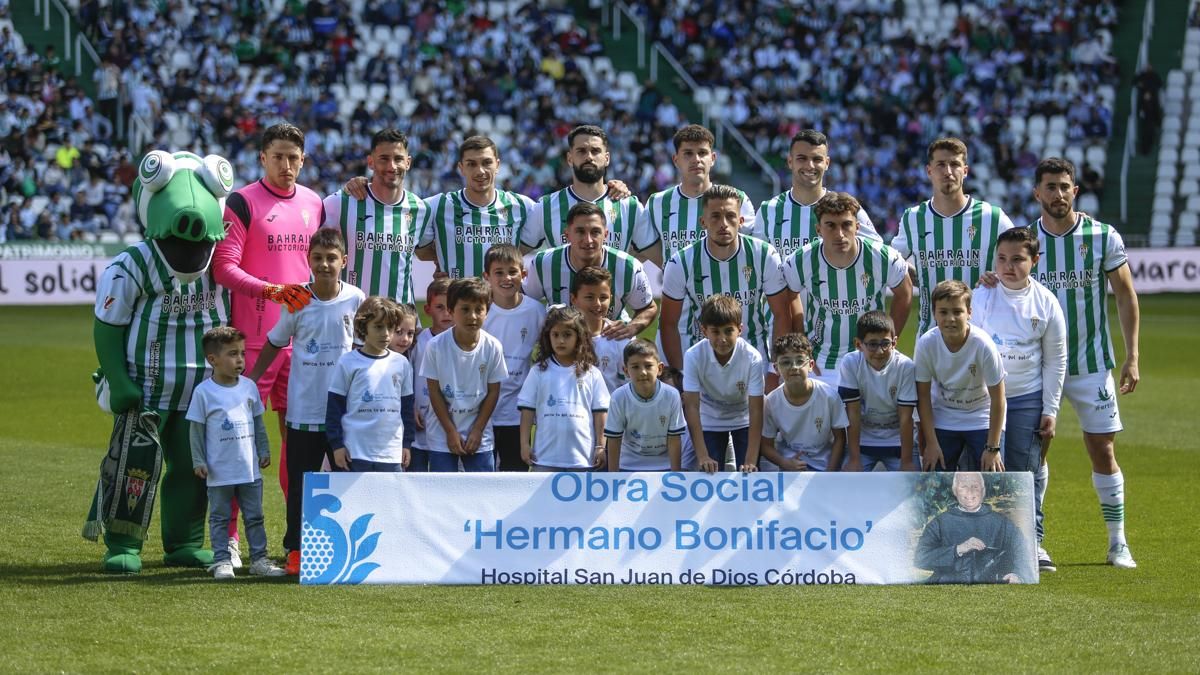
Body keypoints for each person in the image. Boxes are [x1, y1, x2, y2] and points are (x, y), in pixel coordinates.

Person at [214, 122, 322, 557]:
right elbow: (224, 268)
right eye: (277, 156)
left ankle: (298, 539)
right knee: (238, 443)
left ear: (304, 159)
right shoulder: (242, 202)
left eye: (294, 157)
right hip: (254, 344)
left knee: (300, 446)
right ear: (262, 158)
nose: (286, 165)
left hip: (304, 343)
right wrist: (272, 292)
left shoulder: (315, 203)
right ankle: (231, 539)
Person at [1030, 157, 1140, 569]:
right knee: (1034, 452)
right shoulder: (1025, 242)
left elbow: (1126, 296)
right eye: (1050, 187)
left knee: (1102, 449)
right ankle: (1035, 541)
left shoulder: (1101, 235)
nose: (1058, 194)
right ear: (1036, 192)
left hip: (1092, 363)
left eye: (1065, 186)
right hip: (1039, 368)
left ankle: (1118, 543)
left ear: (1075, 190)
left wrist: (1132, 356)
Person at [244, 228, 363, 575]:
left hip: (342, 413)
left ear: (344, 261)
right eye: (317, 258)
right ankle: (296, 549)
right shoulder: (297, 299)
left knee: (345, 479)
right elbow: (274, 341)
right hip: (303, 411)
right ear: (308, 260)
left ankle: (346, 546)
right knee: (301, 482)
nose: (324, 265)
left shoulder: (356, 298)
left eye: (331, 258)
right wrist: (253, 380)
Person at [971, 226, 1066, 571]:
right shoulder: (981, 296)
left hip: (1027, 398)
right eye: (1001, 259)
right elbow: (973, 349)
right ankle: (987, 546)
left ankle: (1032, 543)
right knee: (986, 471)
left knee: (1024, 472)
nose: (1008, 267)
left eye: (1017, 260)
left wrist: (1050, 409)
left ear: (1034, 261)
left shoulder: (1046, 302)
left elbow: (1056, 359)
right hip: (984, 400)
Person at [660, 184, 791, 391]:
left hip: (755, 362)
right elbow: (668, 323)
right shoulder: (681, 262)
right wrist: (681, 374)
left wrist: (774, 372)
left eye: (730, 216)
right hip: (703, 364)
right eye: (715, 217)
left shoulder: (764, 254)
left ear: (741, 221)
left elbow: (782, 314)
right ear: (703, 222)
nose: (724, 224)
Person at [783, 191, 912, 389]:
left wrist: (888, 343)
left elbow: (905, 293)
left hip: (871, 356)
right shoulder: (800, 260)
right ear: (819, 229)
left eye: (846, 225)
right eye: (831, 226)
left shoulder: (884, 257)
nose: (840, 234)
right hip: (820, 360)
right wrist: (802, 345)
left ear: (857, 227)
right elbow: (789, 298)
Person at [186, 327, 286, 580]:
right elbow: (196, 430)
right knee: (220, 517)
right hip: (219, 470)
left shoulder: (249, 387)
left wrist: (263, 449)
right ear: (213, 359)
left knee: (255, 516)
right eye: (232, 354)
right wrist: (199, 460)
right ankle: (222, 561)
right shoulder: (204, 392)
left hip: (249, 469)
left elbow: (258, 422)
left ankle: (259, 560)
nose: (240, 359)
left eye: (242, 353)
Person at [891, 138, 1014, 336]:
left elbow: (1022, 260)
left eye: (955, 164)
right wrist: (918, 276)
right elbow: (889, 262)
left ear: (965, 171)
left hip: (983, 338)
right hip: (930, 339)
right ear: (929, 171)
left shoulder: (993, 217)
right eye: (940, 165)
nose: (948, 171)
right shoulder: (913, 218)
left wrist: (998, 277)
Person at [322, 128, 429, 303]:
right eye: (384, 159)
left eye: (398, 159)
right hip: (351, 319)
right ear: (370, 162)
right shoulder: (342, 203)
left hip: (399, 321)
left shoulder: (421, 209)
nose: (391, 166)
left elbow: (430, 251)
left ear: (408, 162)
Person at [524, 202, 657, 340]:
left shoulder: (628, 266)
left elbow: (648, 307)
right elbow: (523, 304)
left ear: (605, 234)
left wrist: (631, 328)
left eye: (595, 232)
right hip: (563, 348)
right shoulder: (543, 263)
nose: (588, 240)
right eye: (580, 232)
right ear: (567, 234)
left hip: (610, 344)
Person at [914, 281, 1007, 473]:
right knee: (935, 485)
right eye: (943, 312)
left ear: (969, 313)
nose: (951, 319)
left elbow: (999, 399)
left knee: (991, 483)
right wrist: (930, 443)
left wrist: (993, 448)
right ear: (934, 314)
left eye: (957, 312)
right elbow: (922, 397)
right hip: (945, 416)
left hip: (980, 417)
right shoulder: (926, 344)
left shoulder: (983, 345)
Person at [632, 124, 756, 267]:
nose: (696, 159)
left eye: (702, 153)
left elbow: (753, 249)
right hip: (675, 288)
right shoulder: (657, 203)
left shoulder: (737, 199)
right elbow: (640, 250)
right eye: (688, 153)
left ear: (713, 158)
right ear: (675, 160)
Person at [417, 135, 534, 279]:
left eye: (487, 163)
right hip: (457, 297)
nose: (480, 171)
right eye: (471, 164)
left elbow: (530, 246)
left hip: (503, 300)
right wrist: (445, 257)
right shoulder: (436, 206)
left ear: (497, 166)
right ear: (461, 168)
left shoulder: (523, 206)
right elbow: (421, 253)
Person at [421, 277, 508, 472]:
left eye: (479, 309)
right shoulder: (435, 346)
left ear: (487, 311)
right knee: (442, 495)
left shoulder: (493, 346)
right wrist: (450, 432)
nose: (473, 316)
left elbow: (494, 391)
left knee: (481, 496)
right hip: (441, 435)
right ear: (451, 311)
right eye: (465, 309)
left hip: (479, 437)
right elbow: (434, 392)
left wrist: (477, 430)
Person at [752, 130, 881, 258]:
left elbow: (879, 254)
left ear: (827, 163)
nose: (810, 166)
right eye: (802, 158)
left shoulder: (848, 209)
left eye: (817, 159)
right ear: (790, 161)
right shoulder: (767, 211)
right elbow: (756, 262)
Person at [519, 125, 646, 253]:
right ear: (570, 158)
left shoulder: (629, 206)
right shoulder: (545, 207)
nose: (589, 157)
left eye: (595, 151)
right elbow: (513, 255)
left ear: (607, 159)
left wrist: (624, 268)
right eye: (581, 151)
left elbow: (655, 254)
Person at [326, 297, 414, 474]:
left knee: (390, 501)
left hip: (391, 452)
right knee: (355, 502)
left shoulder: (401, 363)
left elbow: (406, 409)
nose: (386, 334)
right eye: (378, 327)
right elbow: (334, 408)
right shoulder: (348, 362)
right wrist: (337, 446)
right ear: (363, 327)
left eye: (390, 328)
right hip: (355, 452)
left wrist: (406, 444)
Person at [517, 306, 610, 471]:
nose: (560, 340)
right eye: (555, 335)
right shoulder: (538, 371)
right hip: (545, 459)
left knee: (582, 498)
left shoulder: (592, 373)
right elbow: (527, 412)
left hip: (582, 459)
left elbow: (600, 413)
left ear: (579, 337)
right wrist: (525, 444)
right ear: (548, 337)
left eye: (567, 335)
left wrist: (600, 446)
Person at [681, 295, 764, 473]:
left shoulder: (753, 357)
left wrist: (750, 461)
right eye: (715, 332)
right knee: (710, 473)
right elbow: (692, 407)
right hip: (709, 419)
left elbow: (756, 409)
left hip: (743, 419)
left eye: (728, 331)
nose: (723, 338)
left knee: (750, 475)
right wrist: (703, 456)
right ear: (704, 331)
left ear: (740, 330)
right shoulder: (693, 356)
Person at [481, 244, 547, 471]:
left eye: (512, 272)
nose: (506, 278)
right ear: (486, 276)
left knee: (513, 476)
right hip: (480, 412)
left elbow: (547, 353)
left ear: (524, 274)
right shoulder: (480, 311)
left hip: (517, 413)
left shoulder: (536, 311)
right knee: (479, 480)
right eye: (499, 272)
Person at [914, 472, 1029, 584]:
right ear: (955, 490)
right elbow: (920, 558)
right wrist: (957, 550)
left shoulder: (1002, 523)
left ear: (983, 491)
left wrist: (1018, 574)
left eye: (975, 486)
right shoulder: (939, 523)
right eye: (963, 486)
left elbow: (1022, 550)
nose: (970, 492)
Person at [838, 311, 918, 472]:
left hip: (897, 443)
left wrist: (907, 461)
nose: (880, 351)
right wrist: (854, 459)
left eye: (885, 343)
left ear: (894, 343)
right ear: (858, 344)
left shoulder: (905, 366)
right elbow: (852, 414)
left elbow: (906, 418)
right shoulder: (850, 363)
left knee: (912, 488)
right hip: (862, 442)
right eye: (872, 344)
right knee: (847, 486)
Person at [761, 333, 849, 472]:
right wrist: (784, 463)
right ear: (776, 368)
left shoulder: (829, 396)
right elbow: (765, 445)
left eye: (799, 360)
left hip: (824, 465)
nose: (794, 367)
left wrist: (830, 472)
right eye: (786, 362)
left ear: (811, 365)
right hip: (790, 465)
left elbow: (840, 438)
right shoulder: (772, 401)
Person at [605, 338, 686, 472]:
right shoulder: (618, 397)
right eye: (635, 367)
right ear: (626, 371)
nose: (642, 372)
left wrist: (675, 474)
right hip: (628, 465)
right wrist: (613, 476)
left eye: (648, 366)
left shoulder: (672, 395)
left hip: (664, 465)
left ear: (659, 368)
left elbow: (674, 439)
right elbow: (614, 439)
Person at [408, 277, 454, 472]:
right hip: (418, 426)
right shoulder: (417, 341)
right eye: (439, 307)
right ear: (427, 310)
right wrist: (410, 406)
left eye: (451, 307)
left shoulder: (463, 342)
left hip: (449, 430)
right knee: (414, 483)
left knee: (444, 485)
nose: (446, 313)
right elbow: (405, 378)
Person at [570, 266, 629, 393]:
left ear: (611, 298)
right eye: (589, 297)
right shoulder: (564, 336)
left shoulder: (621, 338)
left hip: (610, 411)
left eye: (603, 298)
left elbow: (629, 388)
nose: (597, 304)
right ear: (574, 299)